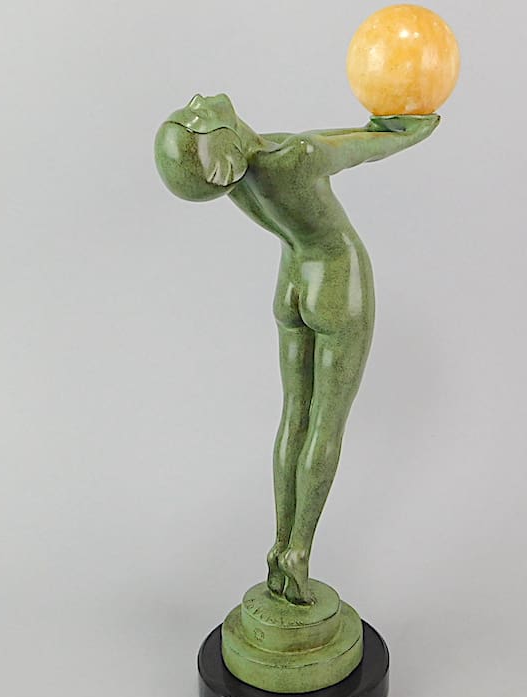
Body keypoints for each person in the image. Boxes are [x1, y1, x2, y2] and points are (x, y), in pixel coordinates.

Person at [155, 94, 439, 604]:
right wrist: (412, 130)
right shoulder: (296, 159)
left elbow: (316, 139)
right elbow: (362, 148)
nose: (198, 100)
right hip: (336, 278)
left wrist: (376, 126)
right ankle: (299, 552)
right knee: (326, 423)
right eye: (197, 118)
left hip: (291, 281)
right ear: (224, 151)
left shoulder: (243, 180)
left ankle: (280, 544)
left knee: (294, 417)